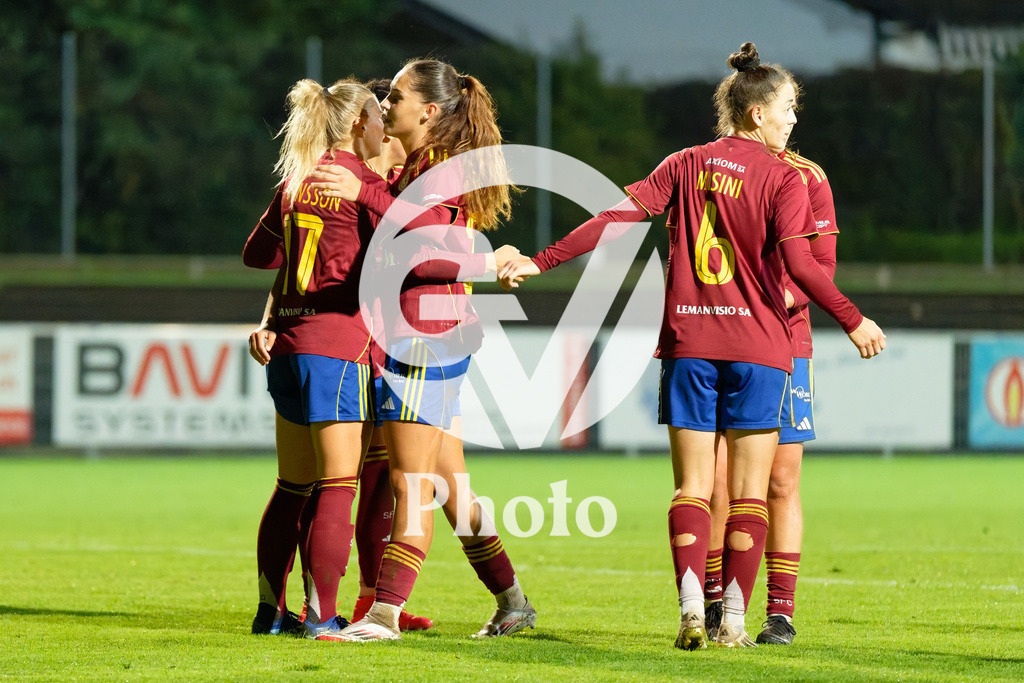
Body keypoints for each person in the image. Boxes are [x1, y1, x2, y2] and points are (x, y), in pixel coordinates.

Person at [498, 42, 886, 649]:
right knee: (750, 492)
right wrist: (854, 318)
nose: (792, 119)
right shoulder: (784, 177)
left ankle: (690, 608)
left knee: (693, 489)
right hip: (760, 346)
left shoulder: (683, 164)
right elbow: (804, 267)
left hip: (689, 343)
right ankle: (732, 619)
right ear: (756, 113)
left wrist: (542, 259)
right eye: (787, 107)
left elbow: (615, 218)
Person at [308, 58, 535, 643]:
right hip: (427, 333)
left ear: (429, 111)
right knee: (449, 482)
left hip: (424, 338)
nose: (387, 103)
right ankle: (512, 601)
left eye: (399, 95)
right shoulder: (423, 167)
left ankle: (382, 616)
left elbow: (429, 254)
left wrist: (364, 192)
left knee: (412, 484)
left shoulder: (436, 171)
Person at [243, 77, 386, 640]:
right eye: (376, 116)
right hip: (339, 347)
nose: (382, 126)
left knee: (291, 486)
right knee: (339, 484)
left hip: (288, 344)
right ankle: (322, 616)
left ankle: (269, 612)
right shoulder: (364, 182)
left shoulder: (296, 179)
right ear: (357, 124)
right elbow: (415, 240)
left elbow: (258, 255)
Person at [704, 148, 839, 646]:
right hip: (722, 338)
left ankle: (779, 612)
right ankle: (714, 599)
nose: (792, 121)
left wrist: (764, 306)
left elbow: (821, 265)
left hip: (786, 341)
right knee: (717, 480)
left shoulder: (808, 176)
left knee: (781, 480)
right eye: (786, 109)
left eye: (794, 110)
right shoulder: (713, 170)